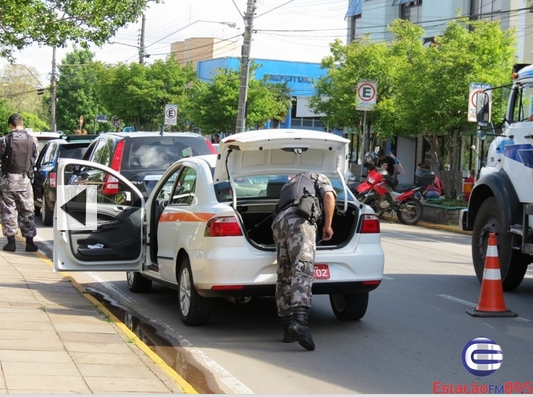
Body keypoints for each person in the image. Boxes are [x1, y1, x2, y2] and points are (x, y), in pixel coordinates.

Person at [271, 172, 336, 351]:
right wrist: (328, 225)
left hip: (279, 223)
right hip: (300, 221)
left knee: (284, 274)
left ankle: (288, 328)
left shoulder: (288, 185)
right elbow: (329, 195)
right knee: (302, 268)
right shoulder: (317, 176)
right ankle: (300, 322)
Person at [0, 114, 39, 252]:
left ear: (10, 125)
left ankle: (11, 242)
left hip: (8, 181)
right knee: (27, 210)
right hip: (25, 180)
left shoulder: (5, 140)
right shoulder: (32, 139)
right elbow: (34, 158)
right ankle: (30, 243)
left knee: (9, 210)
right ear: (22, 123)